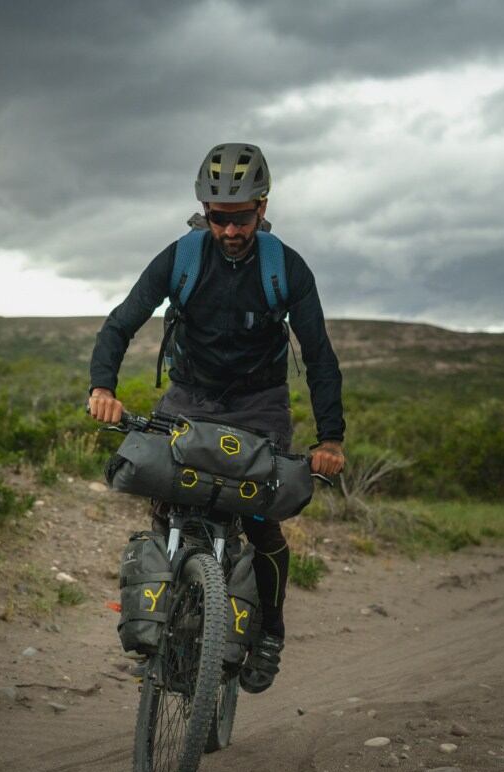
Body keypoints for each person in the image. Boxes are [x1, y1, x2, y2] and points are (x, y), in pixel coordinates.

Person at [89, 142, 345, 693]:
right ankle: (164, 611)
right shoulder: (181, 257)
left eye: (242, 217)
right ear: (204, 211)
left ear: (263, 205)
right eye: (218, 217)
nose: (230, 230)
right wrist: (102, 386)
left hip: (259, 402)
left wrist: (332, 439)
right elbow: (121, 321)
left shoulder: (286, 269)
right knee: (166, 495)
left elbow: (320, 356)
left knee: (259, 518)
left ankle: (270, 629)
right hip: (190, 394)